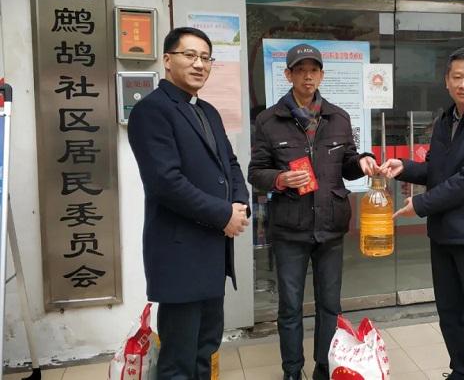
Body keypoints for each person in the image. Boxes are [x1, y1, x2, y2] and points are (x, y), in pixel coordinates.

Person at [380, 47, 464, 380]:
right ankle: (461, 371)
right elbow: (439, 171)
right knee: (451, 314)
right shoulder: (446, 120)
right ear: (447, 81)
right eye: (457, 77)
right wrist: (406, 167)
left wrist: (421, 206)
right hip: (443, 235)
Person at [248, 43, 378, 380]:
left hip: (331, 227)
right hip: (290, 228)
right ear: (288, 74)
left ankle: (325, 366)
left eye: (314, 69)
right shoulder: (268, 120)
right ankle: (292, 371)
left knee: (329, 305)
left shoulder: (338, 117)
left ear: (321, 74)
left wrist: (362, 161)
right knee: (290, 307)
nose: (308, 75)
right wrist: (280, 178)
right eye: (300, 69)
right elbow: (255, 172)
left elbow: (348, 164)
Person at [128, 27, 250, 380]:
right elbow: (165, 183)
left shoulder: (207, 111)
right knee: (179, 358)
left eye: (206, 58)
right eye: (190, 55)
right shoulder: (152, 111)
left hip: (212, 250)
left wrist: (240, 203)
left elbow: (229, 164)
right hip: (180, 252)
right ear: (167, 60)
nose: (199, 64)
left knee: (206, 346)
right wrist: (222, 214)